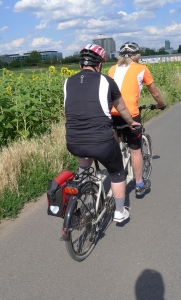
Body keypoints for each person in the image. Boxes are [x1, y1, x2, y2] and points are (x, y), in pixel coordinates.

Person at [64, 44, 140, 223]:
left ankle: (83, 194)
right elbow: (121, 107)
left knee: (85, 158)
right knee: (117, 171)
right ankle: (120, 212)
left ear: (81, 64)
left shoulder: (68, 82)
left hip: (73, 141)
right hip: (101, 141)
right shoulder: (106, 81)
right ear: (99, 65)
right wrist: (131, 122)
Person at [108, 41, 166, 196]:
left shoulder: (112, 69)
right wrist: (161, 104)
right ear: (137, 56)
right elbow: (155, 93)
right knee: (135, 150)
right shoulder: (142, 68)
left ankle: (116, 175)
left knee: (115, 147)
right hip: (130, 115)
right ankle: (139, 183)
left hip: (111, 115)